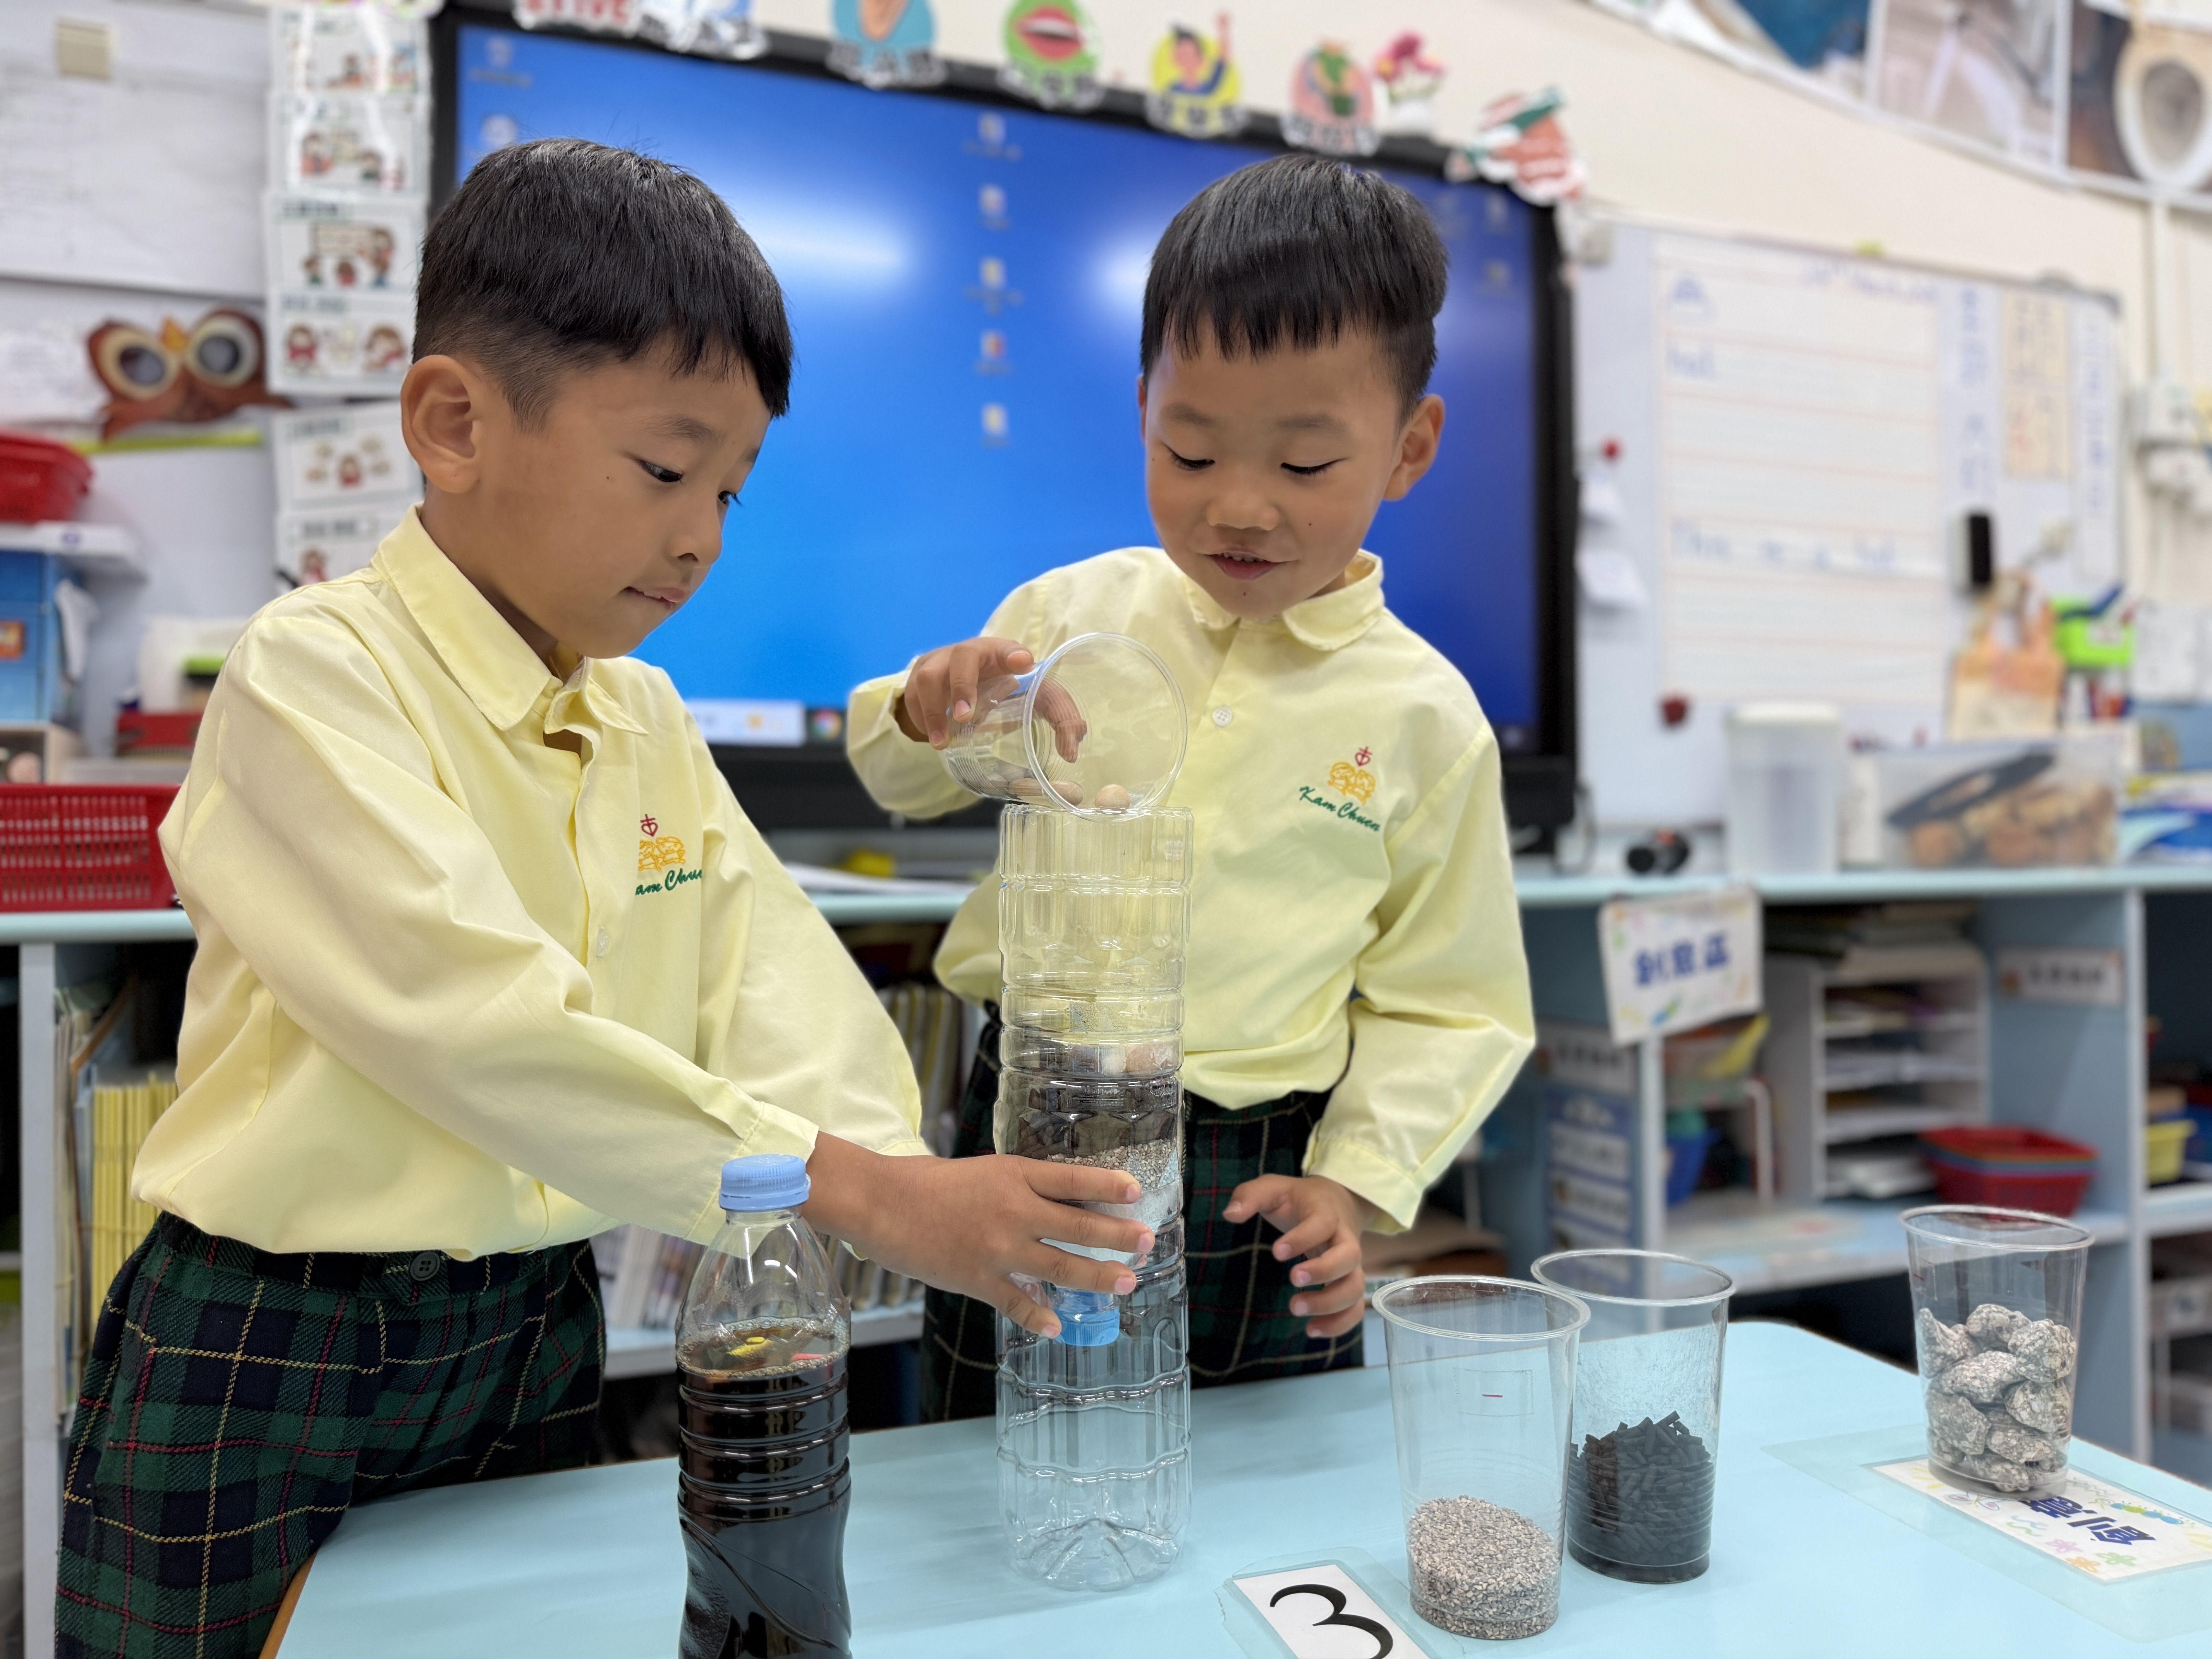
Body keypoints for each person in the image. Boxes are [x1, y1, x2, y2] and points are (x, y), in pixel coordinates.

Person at [59, 138, 1146, 1659]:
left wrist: (917, 1187)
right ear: (455, 423)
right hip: (278, 1339)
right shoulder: (313, 675)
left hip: (532, 1329)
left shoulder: (643, 717)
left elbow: (770, 981)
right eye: (664, 469)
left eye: (732, 491)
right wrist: (869, 1195)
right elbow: (481, 1027)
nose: (702, 534)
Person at [848, 154, 1536, 1420]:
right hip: (1032, 1117)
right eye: (1192, 449)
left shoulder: (1424, 716)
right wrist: (925, 705)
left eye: (1305, 465)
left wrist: (1355, 1185)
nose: (1241, 506)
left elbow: (1455, 1003)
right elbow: (904, 780)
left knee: (1258, 1475)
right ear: (1144, 412)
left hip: (1254, 1174)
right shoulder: (1073, 610)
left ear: (1410, 448)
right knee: (995, 1440)